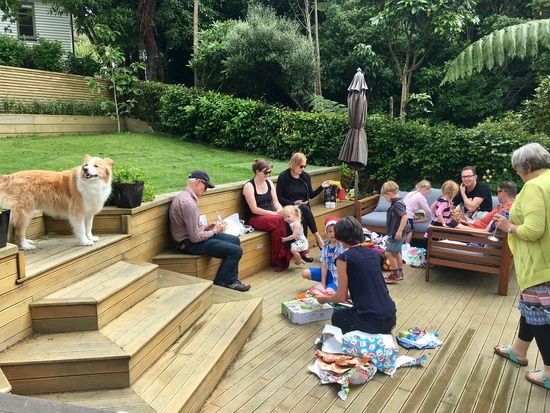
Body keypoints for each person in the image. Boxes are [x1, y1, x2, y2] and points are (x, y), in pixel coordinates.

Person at [492, 142, 550, 391]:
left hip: (539, 264)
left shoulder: (534, 186)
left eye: (517, 168)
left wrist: (509, 227)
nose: (516, 172)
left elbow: (533, 231)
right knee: (531, 310)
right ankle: (518, 350)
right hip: (544, 261)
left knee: (542, 320)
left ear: (527, 165)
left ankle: (549, 372)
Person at [169, 170, 250, 292]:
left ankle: (231, 280)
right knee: (236, 251)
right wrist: (214, 231)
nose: (206, 191)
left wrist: (207, 227)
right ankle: (221, 284)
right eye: (205, 186)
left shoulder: (186, 197)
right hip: (189, 244)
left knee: (234, 240)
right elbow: (195, 237)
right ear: (198, 182)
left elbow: (193, 228)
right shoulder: (188, 203)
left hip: (192, 239)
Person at [315, 216, 397, 335]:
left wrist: (325, 299)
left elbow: (341, 297)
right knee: (352, 310)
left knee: (337, 317)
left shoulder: (343, 259)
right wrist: (339, 295)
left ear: (340, 235)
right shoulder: (375, 255)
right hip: (391, 317)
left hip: (371, 320)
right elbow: (368, 288)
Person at [243, 158, 294, 272]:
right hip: (254, 218)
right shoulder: (249, 186)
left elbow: (275, 202)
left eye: (269, 172)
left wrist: (281, 210)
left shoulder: (269, 183)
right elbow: (254, 209)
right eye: (266, 172)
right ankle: (285, 254)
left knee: (287, 219)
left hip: (271, 217)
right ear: (257, 171)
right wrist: (273, 213)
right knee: (279, 220)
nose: (268, 175)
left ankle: (281, 257)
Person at [276, 152, 332, 252]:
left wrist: (322, 186)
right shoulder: (284, 176)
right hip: (290, 208)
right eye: (301, 166)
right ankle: (317, 238)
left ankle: (304, 250)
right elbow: (279, 198)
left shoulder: (305, 176)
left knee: (303, 215)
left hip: (304, 209)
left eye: (304, 166)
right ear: (294, 164)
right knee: (302, 211)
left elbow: (311, 195)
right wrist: (294, 202)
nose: (303, 169)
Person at [301, 217, 346, 293]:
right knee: (305, 273)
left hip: (337, 277)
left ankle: (332, 287)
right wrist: (323, 282)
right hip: (327, 273)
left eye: (335, 231)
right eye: (330, 231)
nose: (333, 234)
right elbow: (324, 266)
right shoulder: (325, 246)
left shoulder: (342, 246)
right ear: (326, 233)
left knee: (328, 292)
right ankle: (326, 284)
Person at [380, 181, 408, 284]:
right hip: (398, 233)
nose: (385, 199)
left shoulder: (397, 204)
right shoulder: (398, 202)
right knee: (395, 253)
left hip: (397, 233)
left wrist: (399, 231)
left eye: (385, 197)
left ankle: (395, 274)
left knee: (388, 253)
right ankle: (400, 272)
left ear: (389, 194)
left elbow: (404, 217)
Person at [404, 180, 432, 244]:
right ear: (425, 190)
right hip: (408, 215)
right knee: (409, 231)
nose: (427, 194)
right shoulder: (421, 197)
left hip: (401, 214)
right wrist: (430, 218)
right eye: (428, 192)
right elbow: (427, 210)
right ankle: (406, 245)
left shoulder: (411, 193)